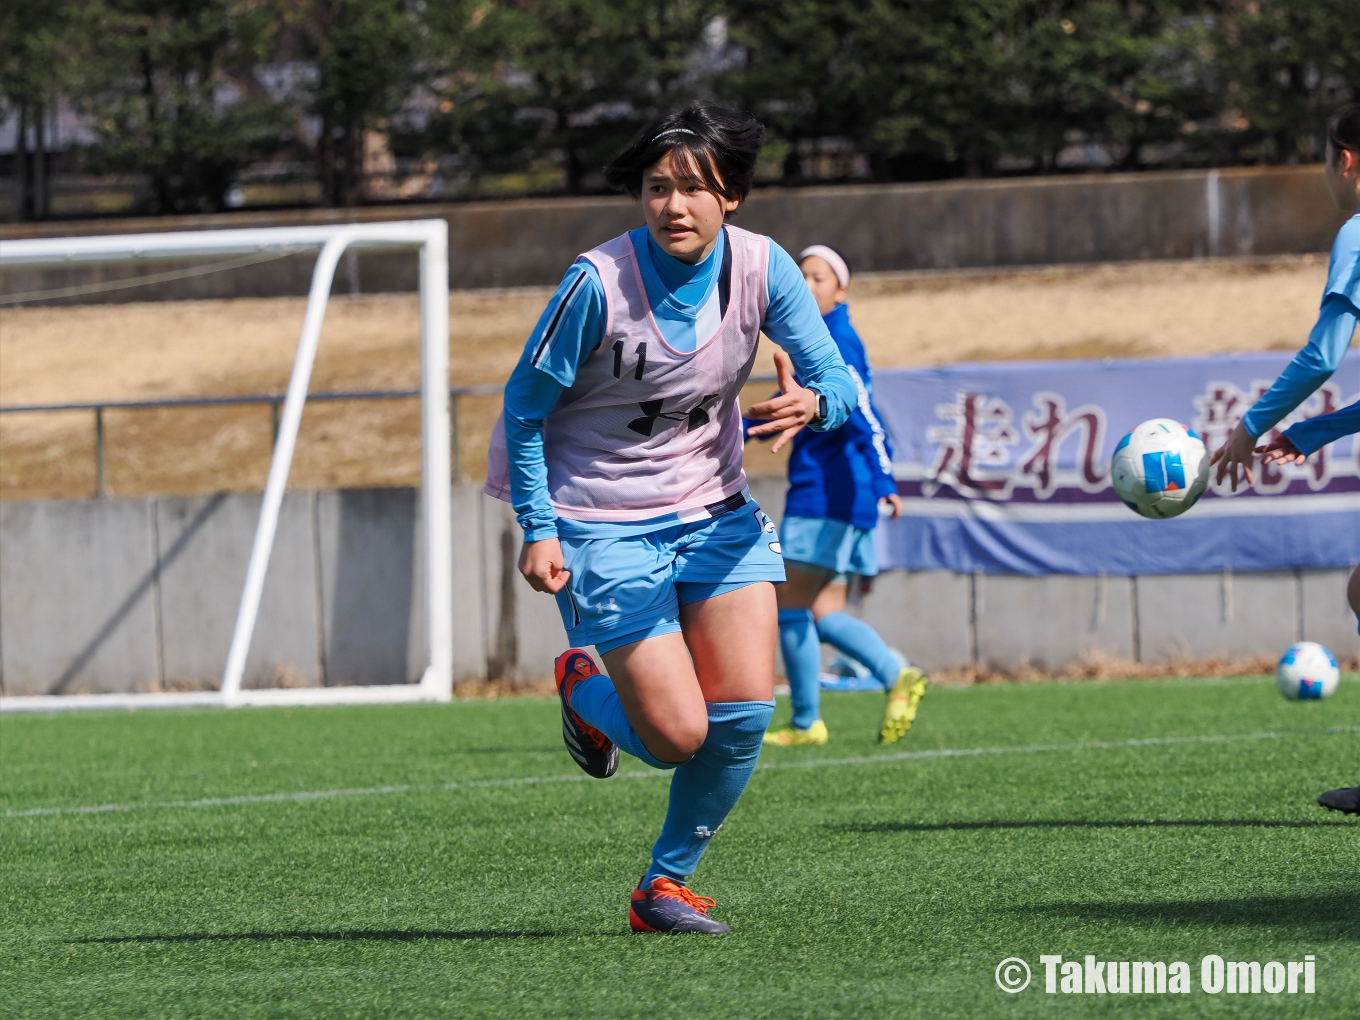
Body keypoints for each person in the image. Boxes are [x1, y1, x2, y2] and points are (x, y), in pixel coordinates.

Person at [485, 101, 857, 933]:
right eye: (658, 188)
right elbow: (522, 407)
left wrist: (814, 403)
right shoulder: (596, 284)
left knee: (742, 718)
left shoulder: (764, 269)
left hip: (716, 511)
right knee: (675, 736)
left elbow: (841, 380)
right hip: (600, 519)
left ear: (733, 198)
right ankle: (585, 692)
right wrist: (538, 526)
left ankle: (662, 888)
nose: (673, 206)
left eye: (694, 189)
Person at [1211, 103, 1360, 818]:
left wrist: (1250, 426)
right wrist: (1312, 434)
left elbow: (1322, 355)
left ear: (1347, 160)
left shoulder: (1358, 233)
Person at [749, 245, 928, 746]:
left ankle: (815, 717)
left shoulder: (836, 342)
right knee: (823, 614)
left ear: (841, 290)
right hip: (839, 494)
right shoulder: (821, 340)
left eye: (819, 278)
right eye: (801, 276)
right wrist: (743, 428)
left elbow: (864, 417)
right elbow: (805, 417)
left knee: (787, 605)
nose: (807, 286)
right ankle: (891, 679)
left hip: (827, 495)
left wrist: (886, 481)